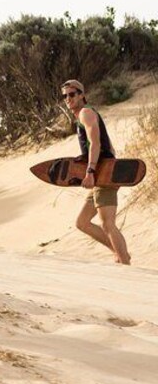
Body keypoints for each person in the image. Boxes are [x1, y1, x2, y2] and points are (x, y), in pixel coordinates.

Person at [61, 79, 130, 264]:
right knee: (82, 222)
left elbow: (96, 143)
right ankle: (118, 252)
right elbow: (109, 147)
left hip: (102, 174)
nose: (68, 98)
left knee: (107, 223)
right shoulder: (81, 117)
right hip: (100, 175)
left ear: (82, 94)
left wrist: (91, 170)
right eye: (65, 96)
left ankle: (125, 263)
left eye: (72, 94)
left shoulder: (86, 113)